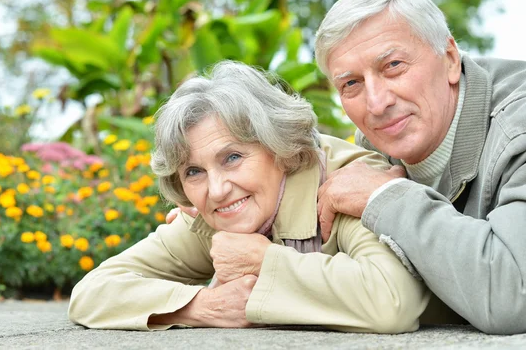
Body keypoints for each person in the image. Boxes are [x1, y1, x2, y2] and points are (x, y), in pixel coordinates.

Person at [68, 61, 431, 332]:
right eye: (193, 172)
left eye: (233, 158)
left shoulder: (344, 182)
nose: (216, 189)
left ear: (280, 149)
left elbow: (393, 301)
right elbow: (91, 294)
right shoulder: (212, 212)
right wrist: (201, 306)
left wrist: (264, 261)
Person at [313, 0, 526, 335]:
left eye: (393, 65)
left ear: (450, 59)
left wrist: (383, 197)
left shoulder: (518, 129)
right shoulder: (381, 140)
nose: (377, 104)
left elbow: (513, 294)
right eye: (351, 84)